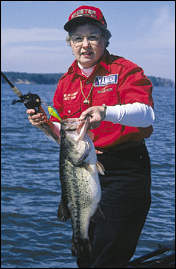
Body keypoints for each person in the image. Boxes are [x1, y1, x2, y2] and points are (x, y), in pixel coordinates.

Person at [27, 5, 155, 268]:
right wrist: (45, 125)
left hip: (124, 172)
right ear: (70, 44)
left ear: (105, 39)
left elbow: (147, 115)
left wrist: (106, 112)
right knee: (85, 256)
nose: (85, 44)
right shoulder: (66, 82)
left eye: (92, 36)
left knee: (107, 258)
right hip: (82, 171)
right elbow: (64, 134)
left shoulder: (126, 70)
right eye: (77, 38)